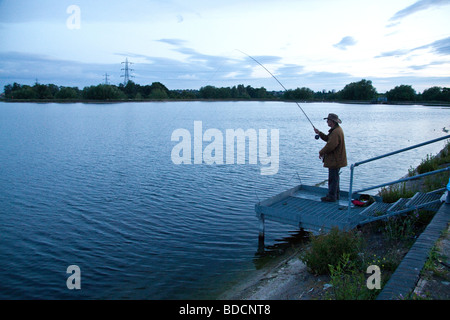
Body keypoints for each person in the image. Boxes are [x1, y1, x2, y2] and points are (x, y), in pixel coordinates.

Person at [314, 113, 347, 202]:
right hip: (337, 159)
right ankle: (335, 195)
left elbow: (331, 145)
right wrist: (319, 133)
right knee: (335, 178)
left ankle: (331, 197)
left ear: (332, 122)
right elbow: (328, 139)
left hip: (335, 160)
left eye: (328, 120)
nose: (327, 121)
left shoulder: (336, 132)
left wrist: (321, 152)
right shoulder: (336, 130)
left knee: (333, 178)